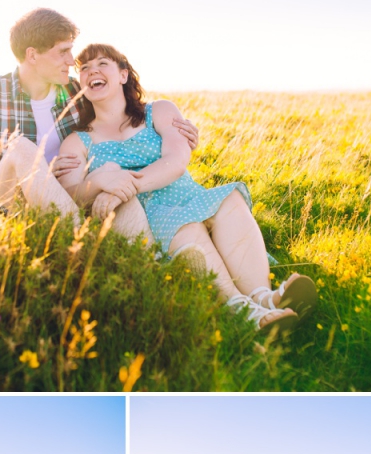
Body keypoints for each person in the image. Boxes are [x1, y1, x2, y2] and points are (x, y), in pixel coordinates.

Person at [56, 43, 318, 333]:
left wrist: (122, 185)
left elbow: (176, 160)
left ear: (123, 75)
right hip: (148, 216)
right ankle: (244, 313)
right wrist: (101, 183)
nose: (91, 70)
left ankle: (264, 296)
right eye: (84, 69)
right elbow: (72, 193)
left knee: (229, 198)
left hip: (187, 194)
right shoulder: (78, 141)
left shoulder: (159, 111)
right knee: (187, 227)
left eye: (102, 63)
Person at [0, 7, 199, 243]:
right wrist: (37, 174)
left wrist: (174, 131)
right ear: (32, 55)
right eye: (63, 52)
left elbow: (123, 116)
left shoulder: (77, 91)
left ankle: (149, 261)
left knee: (116, 184)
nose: (72, 61)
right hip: (11, 203)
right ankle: (82, 245)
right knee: (20, 149)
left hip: (75, 196)